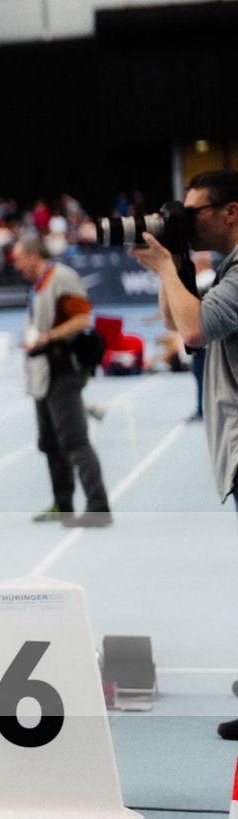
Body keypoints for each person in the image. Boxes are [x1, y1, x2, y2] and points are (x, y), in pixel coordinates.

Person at [128, 170, 238, 737]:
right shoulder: (224, 269)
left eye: (193, 213)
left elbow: (195, 332)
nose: (184, 222)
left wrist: (172, 265)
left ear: (230, 212)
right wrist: (166, 269)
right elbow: (177, 321)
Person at [11, 235, 112, 528]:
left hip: (63, 370)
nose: (16, 266)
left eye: (18, 259)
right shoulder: (39, 284)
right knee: (50, 443)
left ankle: (98, 506)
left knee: (75, 441)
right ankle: (63, 504)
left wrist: (49, 338)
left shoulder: (62, 277)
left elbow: (83, 321)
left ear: (32, 254)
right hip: (43, 373)